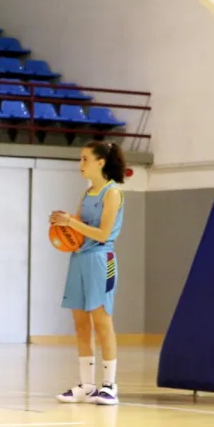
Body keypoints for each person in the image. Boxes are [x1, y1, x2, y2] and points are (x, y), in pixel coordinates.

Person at [52, 141, 127, 406]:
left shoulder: (112, 193)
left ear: (101, 162)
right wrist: (63, 222)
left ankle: (109, 385)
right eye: (80, 159)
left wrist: (72, 222)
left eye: (85, 159)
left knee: (102, 322)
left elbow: (103, 234)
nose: (80, 164)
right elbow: (81, 227)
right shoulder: (87, 194)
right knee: (80, 323)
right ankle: (86, 385)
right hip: (79, 257)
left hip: (100, 259)